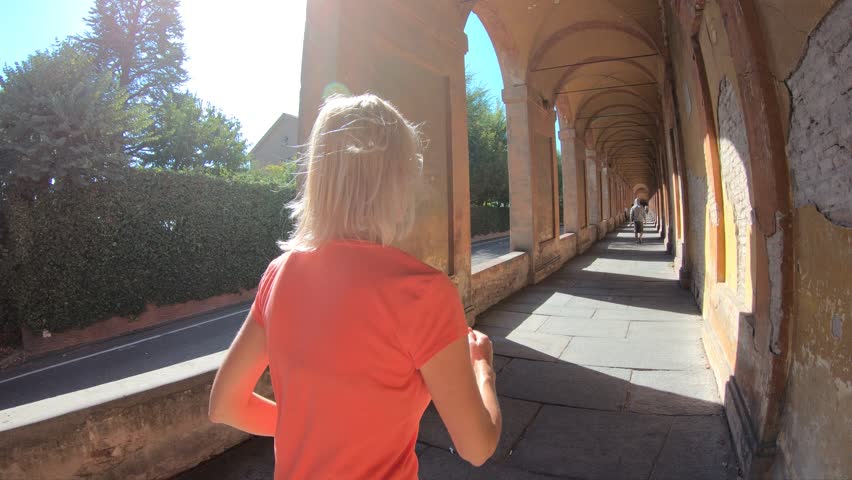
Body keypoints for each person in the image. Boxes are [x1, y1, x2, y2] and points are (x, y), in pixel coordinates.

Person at [208, 94, 502, 479]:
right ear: (397, 182)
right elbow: (477, 447)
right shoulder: (423, 292)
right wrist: (483, 369)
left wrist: (312, 432)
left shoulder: (279, 274)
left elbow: (226, 405)